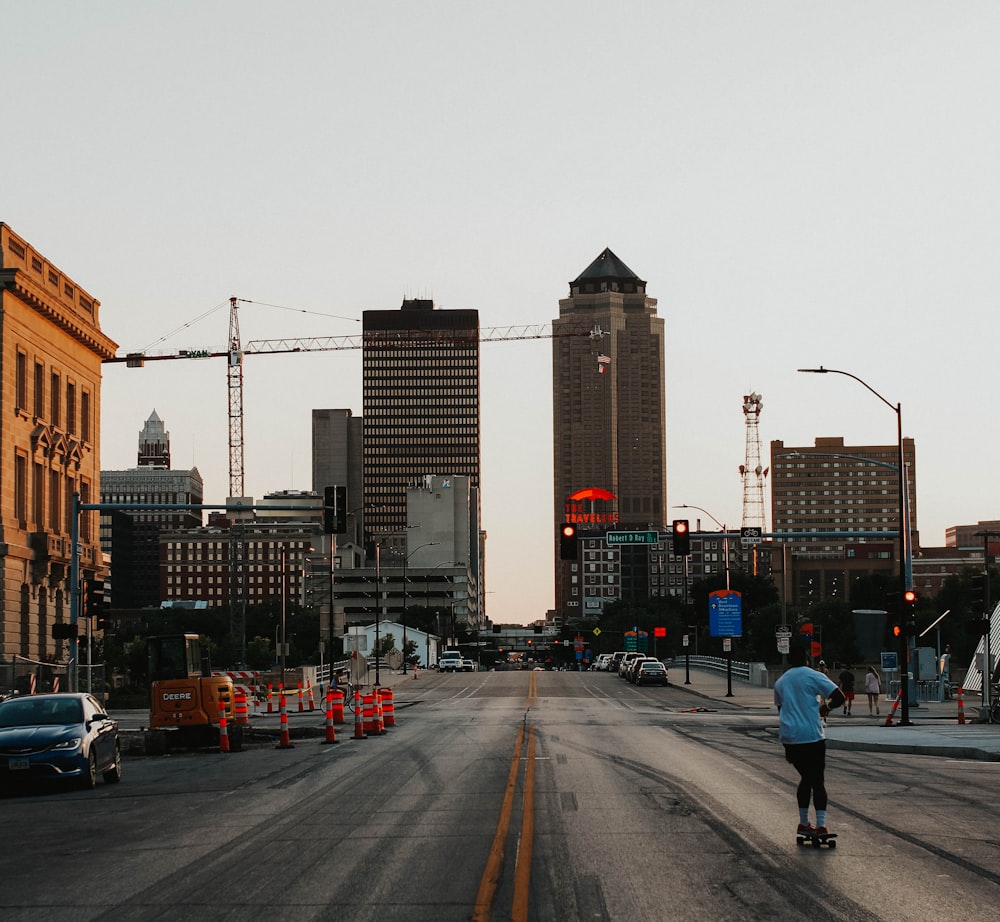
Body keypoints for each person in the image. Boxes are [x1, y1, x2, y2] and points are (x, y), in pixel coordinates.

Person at [774, 643, 845, 837]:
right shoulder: (814, 675)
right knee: (817, 780)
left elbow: (782, 710)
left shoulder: (781, 682)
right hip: (812, 735)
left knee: (806, 778)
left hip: (790, 737)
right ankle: (820, 824)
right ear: (806, 658)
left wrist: (787, 746)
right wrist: (826, 708)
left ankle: (804, 823)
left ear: (789, 660)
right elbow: (839, 697)